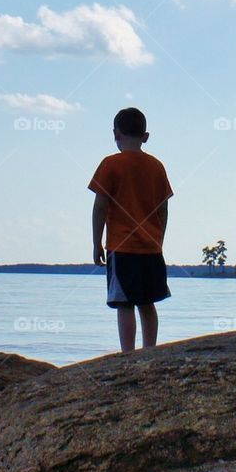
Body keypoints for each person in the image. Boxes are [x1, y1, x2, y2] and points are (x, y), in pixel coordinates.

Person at [88, 107, 173, 353]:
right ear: (146, 136)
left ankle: (127, 354)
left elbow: (100, 207)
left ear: (116, 134)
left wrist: (96, 243)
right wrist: (159, 239)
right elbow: (164, 209)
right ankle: (150, 351)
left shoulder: (111, 164)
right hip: (151, 247)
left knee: (124, 303)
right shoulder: (157, 166)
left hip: (121, 246)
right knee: (147, 303)